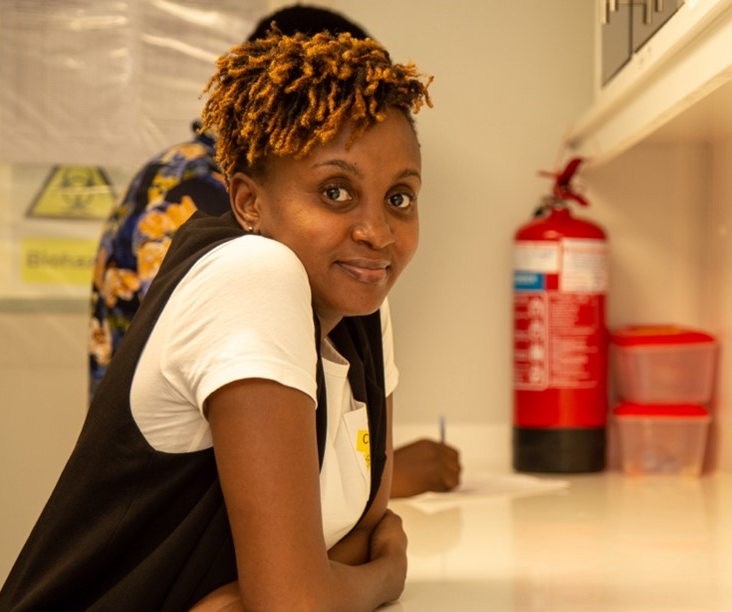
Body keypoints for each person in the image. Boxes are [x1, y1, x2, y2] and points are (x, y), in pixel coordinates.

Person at [0, 31, 432, 612]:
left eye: (399, 196)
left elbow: (363, 520)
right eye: (335, 191)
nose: (377, 230)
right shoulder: (256, 273)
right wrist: (383, 575)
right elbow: (306, 597)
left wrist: (242, 601)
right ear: (249, 199)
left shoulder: (360, 304)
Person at [88, 4, 459, 498]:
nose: (376, 232)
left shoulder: (198, 175)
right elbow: (227, 372)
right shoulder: (192, 192)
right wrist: (382, 481)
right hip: (173, 503)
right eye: (334, 191)